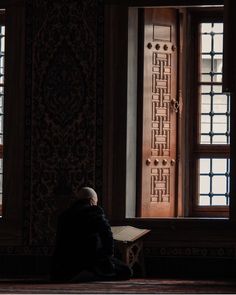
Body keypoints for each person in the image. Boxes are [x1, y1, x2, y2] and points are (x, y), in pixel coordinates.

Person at [51, 187, 132, 282]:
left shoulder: (64, 215)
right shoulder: (94, 212)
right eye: (95, 202)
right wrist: (108, 261)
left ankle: (76, 274)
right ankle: (90, 274)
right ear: (91, 200)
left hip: (64, 265)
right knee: (126, 271)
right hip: (88, 261)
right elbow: (108, 237)